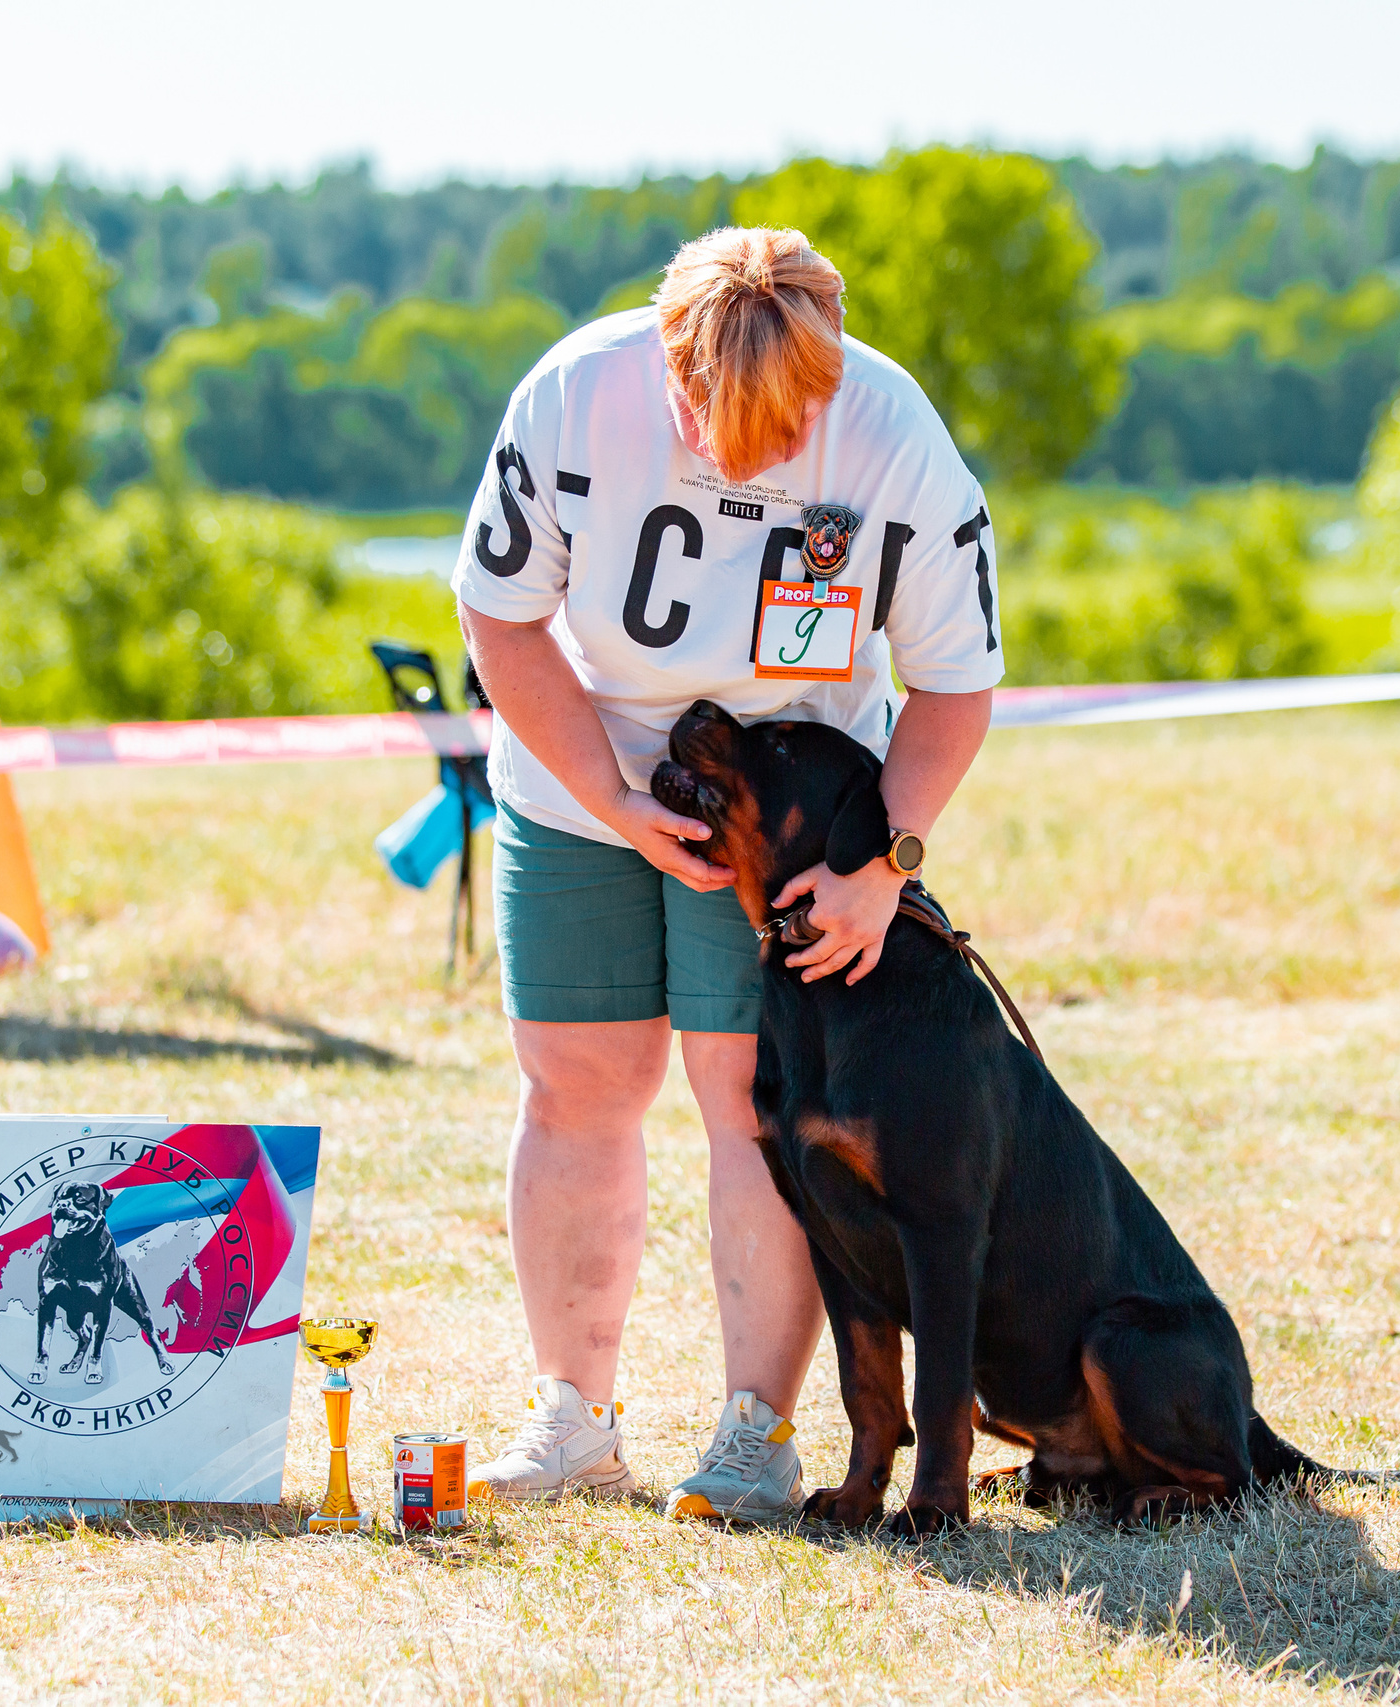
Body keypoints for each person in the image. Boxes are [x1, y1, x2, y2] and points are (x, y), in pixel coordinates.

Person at [451, 227, 1002, 1521]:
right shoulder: (572, 391)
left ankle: (756, 1432)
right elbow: (500, 615)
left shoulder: (894, 434)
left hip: (785, 822)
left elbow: (954, 682)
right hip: (577, 781)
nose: (753, 458)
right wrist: (610, 796)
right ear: (671, 364)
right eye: (720, 426)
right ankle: (571, 1418)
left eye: (787, 427)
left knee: (752, 1098)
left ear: (831, 373)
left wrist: (884, 863)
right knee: (575, 1083)